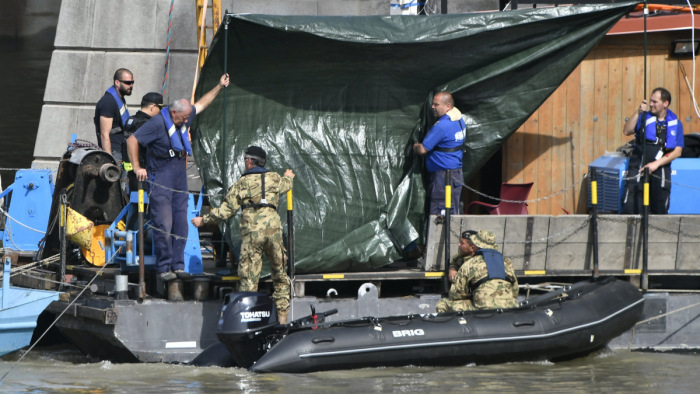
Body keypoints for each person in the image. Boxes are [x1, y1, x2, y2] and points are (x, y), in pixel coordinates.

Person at [126, 73, 230, 282]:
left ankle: (178, 265)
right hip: (161, 174)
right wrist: (138, 167)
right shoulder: (156, 123)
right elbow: (132, 141)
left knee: (181, 224)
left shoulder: (183, 116)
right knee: (164, 223)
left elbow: (200, 105)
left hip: (179, 174)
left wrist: (219, 86)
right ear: (173, 113)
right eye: (184, 118)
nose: (186, 121)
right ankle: (164, 267)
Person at [191, 146, 295, 323]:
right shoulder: (275, 179)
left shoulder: (241, 183)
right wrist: (288, 176)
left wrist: (204, 220)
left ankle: (250, 320)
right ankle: (283, 320)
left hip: (252, 235)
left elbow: (225, 211)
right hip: (274, 233)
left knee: (249, 279)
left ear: (249, 161)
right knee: (280, 275)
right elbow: (287, 183)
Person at [622, 87, 684, 214]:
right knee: (632, 205)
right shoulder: (643, 117)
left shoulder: (676, 123)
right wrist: (638, 112)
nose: (651, 104)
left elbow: (677, 151)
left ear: (665, 103)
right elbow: (627, 131)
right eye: (650, 101)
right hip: (639, 165)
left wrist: (655, 164)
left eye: (655, 102)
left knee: (660, 206)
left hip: (660, 168)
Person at [436, 230, 518, 313]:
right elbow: (515, 291)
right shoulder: (506, 262)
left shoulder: (470, 264)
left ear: (475, 246)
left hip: (484, 309)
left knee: (442, 304)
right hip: (510, 307)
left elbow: (455, 294)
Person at [413, 91, 466, 215]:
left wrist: (414, 146)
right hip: (456, 174)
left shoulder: (442, 126)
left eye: (436, 105)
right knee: (453, 210)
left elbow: (423, 150)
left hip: (443, 178)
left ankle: (441, 235)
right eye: (433, 104)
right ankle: (451, 234)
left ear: (447, 106)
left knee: (440, 214)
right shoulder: (459, 120)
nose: (432, 107)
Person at [121, 92, 164, 193]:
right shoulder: (148, 125)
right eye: (160, 108)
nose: (160, 112)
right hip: (143, 172)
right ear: (153, 107)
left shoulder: (131, 120)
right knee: (145, 206)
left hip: (130, 172)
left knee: (133, 203)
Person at [94, 68, 134, 162]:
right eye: (128, 82)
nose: (131, 85)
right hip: (114, 152)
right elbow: (104, 134)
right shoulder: (108, 101)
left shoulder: (120, 100)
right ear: (117, 82)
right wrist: (109, 159)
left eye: (132, 82)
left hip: (122, 149)